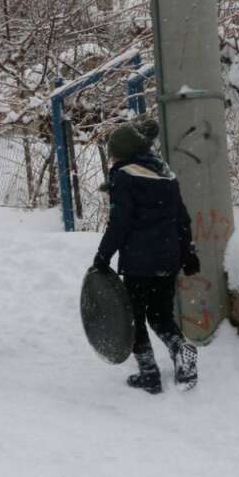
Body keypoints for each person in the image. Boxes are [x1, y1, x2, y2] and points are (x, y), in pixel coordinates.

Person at [91, 122, 200, 393]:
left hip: (139, 263)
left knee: (134, 319)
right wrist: (188, 254)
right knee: (161, 315)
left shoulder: (124, 177)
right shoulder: (166, 175)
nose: (112, 158)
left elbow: (120, 223)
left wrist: (103, 256)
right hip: (168, 260)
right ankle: (181, 350)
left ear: (124, 152)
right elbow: (182, 220)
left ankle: (149, 374)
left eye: (114, 153)